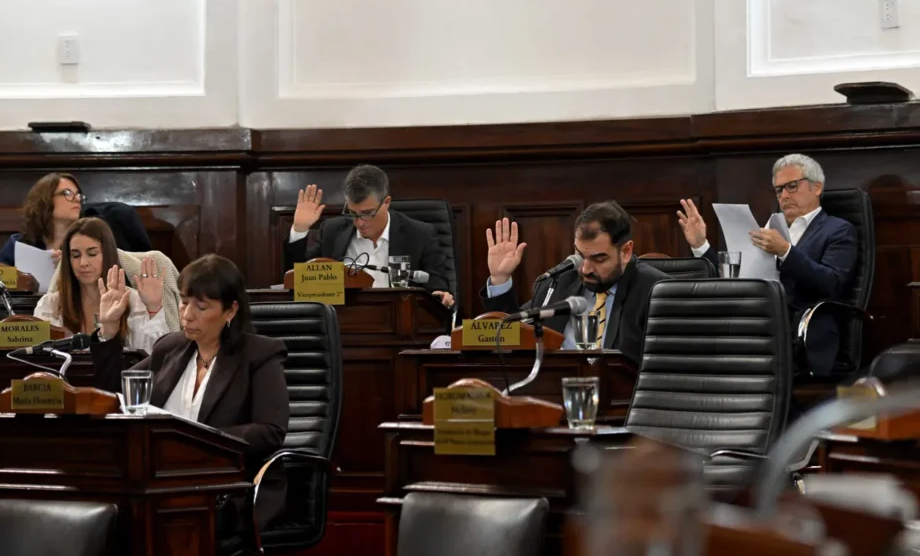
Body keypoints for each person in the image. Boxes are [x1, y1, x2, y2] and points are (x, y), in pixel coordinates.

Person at [89, 253, 290, 556]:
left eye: (202, 306)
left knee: (167, 531)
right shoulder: (170, 349)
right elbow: (115, 396)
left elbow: (270, 430)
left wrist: (197, 441)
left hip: (225, 490)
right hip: (159, 486)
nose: (188, 315)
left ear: (230, 310)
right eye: (183, 302)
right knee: (109, 525)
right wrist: (108, 331)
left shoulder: (258, 355)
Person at [678, 153, 858, 377]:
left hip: (800, 332)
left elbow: (831, 283)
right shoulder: (770, 228)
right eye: (779, 190)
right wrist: (701, 246)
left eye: (792, 186)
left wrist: (785, 251)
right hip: (755, 324)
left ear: (817, 187)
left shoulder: (838, 230)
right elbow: (735, 280)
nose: (784, 196)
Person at [482, 201, 670, 364]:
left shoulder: (656, 291)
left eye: (599, 258)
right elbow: (512, 333)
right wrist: (500, 279)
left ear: (626, 251)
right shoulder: (558, 284)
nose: (586, 269)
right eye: (581, 256)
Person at [283, 164, 456, 307]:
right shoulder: (333, 232)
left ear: (386, 202)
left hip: (399, 329)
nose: (359, 222)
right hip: (343, 327)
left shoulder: (419, 234)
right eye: (352, 213)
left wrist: (440, 296)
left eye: (367, 213)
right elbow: (298, 280)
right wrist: (299, 230)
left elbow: (438, 285)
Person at [34, 217, 169, 354]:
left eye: (92, 254)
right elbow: (39, 361)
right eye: (75, 256)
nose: (83, 263)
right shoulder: (49, 305)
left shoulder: (135, 301)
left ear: (108, 254)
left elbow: (155, 359)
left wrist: (153, 307)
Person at [0, 173, 83, 267]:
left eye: (78, 194)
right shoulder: (18, 244)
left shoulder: (85, 243)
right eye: (67, 193)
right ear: (45, 200)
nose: (77, 199)